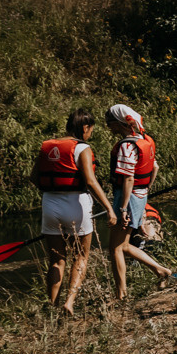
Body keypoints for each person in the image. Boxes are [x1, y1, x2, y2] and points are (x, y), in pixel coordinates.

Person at [31, 109, 119, 316]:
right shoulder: (82, 148)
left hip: (50, 204)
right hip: (76, 205)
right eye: (91, 130)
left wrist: (53, 192)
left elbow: (34, 178)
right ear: (85, 127)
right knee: (80, 257)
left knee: (56, 260)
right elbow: (89, 181)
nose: (90, 135)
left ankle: (52, 307)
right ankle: (69, 302)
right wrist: (109, 208)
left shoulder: (47, 146)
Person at [103, 104, 174, 300]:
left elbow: (128, 179)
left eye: (109, 123)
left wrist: (124, 208)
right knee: (124, 245)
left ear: (119, 123)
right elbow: (155, 167)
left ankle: (121, 295)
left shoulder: (127, 146)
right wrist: (145, 193)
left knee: (115, 248)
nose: (108, 127)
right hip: (140, 195)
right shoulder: (145, 140)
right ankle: (161, 271)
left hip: (127, 196)